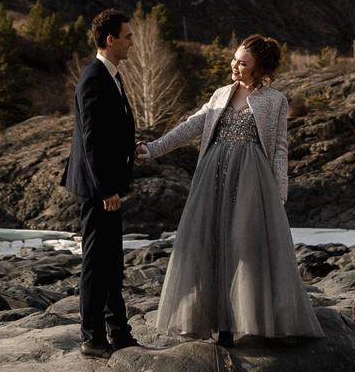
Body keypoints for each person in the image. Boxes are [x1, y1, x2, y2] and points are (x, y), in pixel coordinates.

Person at [137, 33, 320, 342]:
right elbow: (191, 126)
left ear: (259, 68)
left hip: (253, 181)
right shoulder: (221, 94)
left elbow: (279, 149)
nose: (234, 65)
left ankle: (244, 322)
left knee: (245, 246)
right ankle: (215, 324)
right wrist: (153, 149)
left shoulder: (275, 100)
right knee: (211, 244)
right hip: (215, 177)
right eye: (234, 59)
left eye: (242, 62)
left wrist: (279, 191)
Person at [63, 8, 138, 358]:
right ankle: (92, 337)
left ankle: (118, 331)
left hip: (106, 186)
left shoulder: (111, 75)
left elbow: (111, 130)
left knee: (113, 261)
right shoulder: (94, 77)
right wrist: (107, 189)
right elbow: (92, 140)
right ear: (110, 40)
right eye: (127, 36)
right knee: (97, 262)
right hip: (96, 189)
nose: (131, 41)